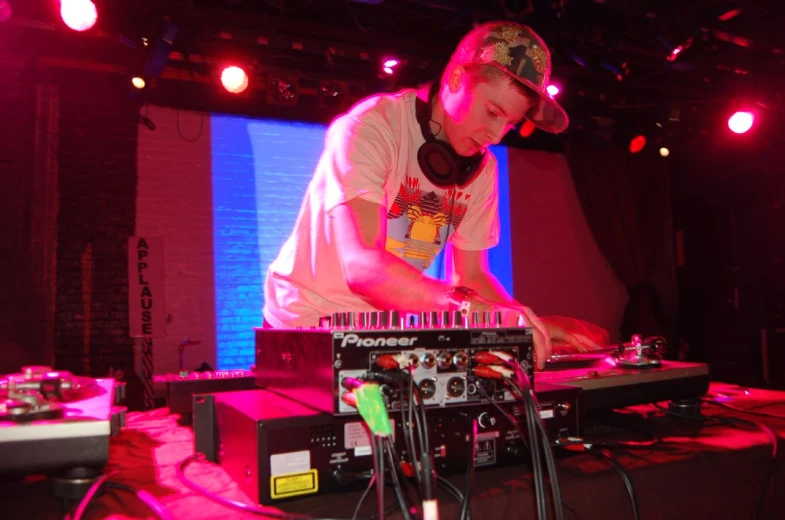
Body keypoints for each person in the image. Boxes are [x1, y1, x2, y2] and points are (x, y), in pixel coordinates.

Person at [262, 21, 600, 368]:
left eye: (509, 124)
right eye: (492, 113)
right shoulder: (371, 128)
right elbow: (362, 266)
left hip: (380, 334)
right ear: (456, 80)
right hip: (304, 327)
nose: (496, 136)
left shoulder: (482, 169)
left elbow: (471, 276)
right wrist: (468, 309)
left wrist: (524, 323)